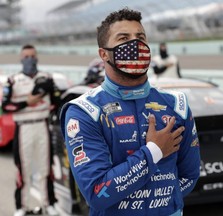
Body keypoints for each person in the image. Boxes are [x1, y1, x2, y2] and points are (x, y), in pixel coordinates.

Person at [60, 8, 200, 216]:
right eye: (123, 38)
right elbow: (97, 193)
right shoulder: (84, 112)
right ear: (103, 54)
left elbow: (190, 174)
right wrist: (154, 151)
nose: (135, 44)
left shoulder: (177, 103)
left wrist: (160, 202)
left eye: (140, 37)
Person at [2, 44, 60, 216]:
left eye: (32, 56)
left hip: (42, 125)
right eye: (26, 56)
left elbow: (57, 102)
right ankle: (21, 207)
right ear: (21, 58)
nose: (29, 59)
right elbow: (5, 106)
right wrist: (27, 103)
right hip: (23, 128)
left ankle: (48, 203)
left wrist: (49, 95)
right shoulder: (13, 80)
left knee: (46, 168)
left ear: (37, 57)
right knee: (23, 169)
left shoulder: (46, 77)